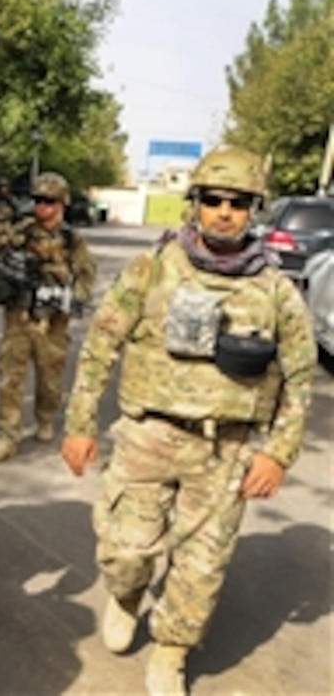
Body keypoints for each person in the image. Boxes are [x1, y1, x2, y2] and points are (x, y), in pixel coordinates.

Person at [60, 145, 315, 695]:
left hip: (225, 452)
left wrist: (277, 452)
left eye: (240, 203)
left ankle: (171, 651)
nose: (226, 212)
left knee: (201, 570)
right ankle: (127, 596)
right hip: (148, 436)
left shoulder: (275, 290)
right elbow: (101, 344)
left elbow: (299, 376)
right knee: (125, 552)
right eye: (215, 200)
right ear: (195, 204)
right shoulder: (152, 268)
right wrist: (80, 423)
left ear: (256, 210)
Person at [0, 171, 97, 463]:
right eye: (37, 200)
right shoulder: (19, 232)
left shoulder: (72, 240)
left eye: (49, 201)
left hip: (53, 322)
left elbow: (86, 275)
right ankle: (7, 436)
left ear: (62, 204)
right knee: (10, 377)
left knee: (49, 380)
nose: (41, 207)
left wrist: (71, 294)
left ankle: (45, 417)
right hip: (18, 316)